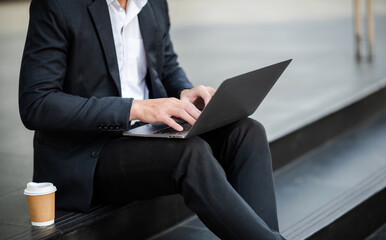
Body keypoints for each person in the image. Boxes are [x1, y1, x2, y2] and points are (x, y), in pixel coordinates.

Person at [19, 0, 285, 239]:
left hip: (149, 133)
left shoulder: (153, 3)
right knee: (192, 154)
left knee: (247, 132)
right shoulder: (57, 5)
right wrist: (134, 108)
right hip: (88, 153)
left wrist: (185, 91)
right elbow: (36, 103)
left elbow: (166, 64)